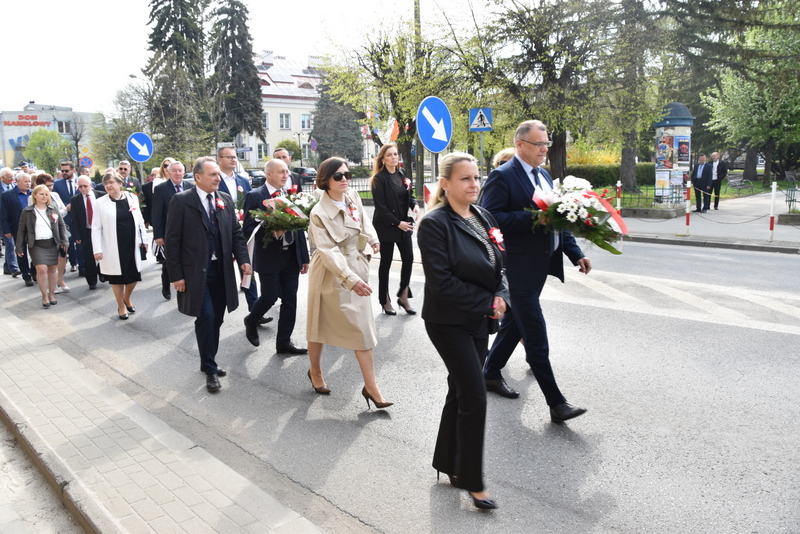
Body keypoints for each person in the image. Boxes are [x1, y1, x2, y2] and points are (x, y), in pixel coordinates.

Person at [480, 120, 590, 423]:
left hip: (538, 268)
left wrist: (574, 252)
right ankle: (557, 404)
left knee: (515, 323)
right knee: (536, 337)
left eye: (546, 144)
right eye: (538, 144)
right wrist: (533, 219)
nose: (544, 149)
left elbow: (556, 216)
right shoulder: (502, 177)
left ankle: (489, 372)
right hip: (516, 270)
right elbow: (491, 219)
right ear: (520, 144)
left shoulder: (543, 175)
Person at [418, 152, 508, 510]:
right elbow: (441, 283)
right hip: (447, 322)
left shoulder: (482, 215)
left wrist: (501, 296)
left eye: (476, 178)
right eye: (465, 179)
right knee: (474, 396)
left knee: (458, 391)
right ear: (445, 184)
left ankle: (448, 463)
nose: (474, 184)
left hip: (477, 320)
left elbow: (500, 263)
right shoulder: (434, 224)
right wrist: (488, 302)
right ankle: (473, 480)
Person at [305, 157, 392, 408]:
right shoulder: (318, 213)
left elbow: (364, 220)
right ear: (325, 181)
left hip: (356, 268)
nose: (345, 179)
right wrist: (350, 279)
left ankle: (371, 387)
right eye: (338, 176)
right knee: (318, 326)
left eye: (347, 174)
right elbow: (328, 251)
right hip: (331, 275)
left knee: (362, 329)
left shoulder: (352, 195)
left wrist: (373, 239)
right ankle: (316, 371)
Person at [164, 157, 252, 393]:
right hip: (195, 272)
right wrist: (177, 275)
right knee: (206, 316)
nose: (217, 178)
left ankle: (207, 360)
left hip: (221, 270)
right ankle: (211, 370)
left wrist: (243, 260)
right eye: (212, 174)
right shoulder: (182, 201)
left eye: (218, 174)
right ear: (198, 177)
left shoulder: (223, 199)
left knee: (218, 318)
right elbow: (172, 241)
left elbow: (235, 233)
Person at [242, 159, 309, 353]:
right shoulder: (254, 196)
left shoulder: (289, 196)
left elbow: (299, 228)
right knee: (269, 297)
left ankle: (283, 342)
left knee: (290, 300)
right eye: (281, 171)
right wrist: (271, 230)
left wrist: (304, 257)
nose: (286, 175)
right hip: (269, 256)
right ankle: (251, 320)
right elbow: (248, 228)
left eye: (287, 171)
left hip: (291, 257)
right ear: (269, 174)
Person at [370, 143, 419, 315]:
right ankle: (384, 300)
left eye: (395, 154)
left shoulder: (402, 174)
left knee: (409, 259)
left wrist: (415, 205)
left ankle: (403, 296)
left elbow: (409, 195)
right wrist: (397, 223)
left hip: (403, 224)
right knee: (386, 263)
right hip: (386, 226)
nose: (393, 157)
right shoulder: (379, 179)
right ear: (383, 158)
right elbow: (381, 208)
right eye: (389, 155)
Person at [91, 171, 147, 320]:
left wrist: (144, 239)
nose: (108, 185)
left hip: (131, 243)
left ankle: (126, 297)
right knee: (117, 277)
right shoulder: (100, 202)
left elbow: (140, 220)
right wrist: (97, 249)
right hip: (112, 245)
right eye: (106, 183)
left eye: (111, 182)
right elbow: (96, 228)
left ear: (120, 184)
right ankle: (121, 306)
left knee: (134, 275)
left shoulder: (132, 198)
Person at [216, 146, 257, 309]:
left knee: (247, 269)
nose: (234, 159)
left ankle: (254, 311)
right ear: (219, 160)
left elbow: (250, 206)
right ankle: (215, 309)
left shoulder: (243, 181)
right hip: (221, 233)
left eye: (235, 157)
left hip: (242, 233)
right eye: (229, 157)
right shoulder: (214, 179)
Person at [16, 184, 69, 308]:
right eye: (41, 194)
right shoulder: (27, 211)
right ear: (34, 195)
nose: (44, 196)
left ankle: (51, 294)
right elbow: (21, 230)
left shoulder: (53, 208)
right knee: (41, 269)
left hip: (52, 243)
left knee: (52, 269)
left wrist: (64, 241)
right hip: (36, 244)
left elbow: (61, 226)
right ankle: (44, 296)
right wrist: (19, 247)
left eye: (46, 194)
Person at [152, 161, 191, 300]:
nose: (177, 173)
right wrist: (158, 235)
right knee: (169, 261)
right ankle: (166, 286)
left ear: (184, 172)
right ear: (168, 172)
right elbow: (156, 213)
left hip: (187, 233)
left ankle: (186, 288)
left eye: (180, 170)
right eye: (174, 170)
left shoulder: (190, 186)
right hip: (169, 233)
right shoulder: (161, 189)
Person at [33, 174, 70, 293]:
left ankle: (60, 279)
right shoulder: (33, 197)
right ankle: (52, 285)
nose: (50, 188)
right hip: (45, 232)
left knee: (62, 254)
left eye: (51, 185)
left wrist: (57, 213)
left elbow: (64, 210)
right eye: (48, 185)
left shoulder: (55, 195)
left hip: (59, 228)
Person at [70, 176, 106, 290]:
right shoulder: (75, 200)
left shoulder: (101, 195)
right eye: (80, 186)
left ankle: (103, 272)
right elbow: (74, 219)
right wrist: (76, 235)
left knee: (105, 253)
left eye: (85, 186)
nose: (83, 188)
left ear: (90, 185)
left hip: (102, 230)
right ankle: (91, 280)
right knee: (89, 257)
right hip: (86, 231)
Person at [53, 160, 84, 275]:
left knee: (81, 242)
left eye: (67, 170)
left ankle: (82, 266)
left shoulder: (81, 181)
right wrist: (66, 207)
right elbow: (55, 201)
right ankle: (73, 263)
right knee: (69, 241)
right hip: (66, 217)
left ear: (73, 170)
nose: (64, 173)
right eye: (62, 171)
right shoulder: (57, 184)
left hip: (80, 217)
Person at [1, 172, 33, 285]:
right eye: (25, 181)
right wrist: (6, 230)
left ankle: (34, 271)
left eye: (29, 181)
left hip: (34, 228)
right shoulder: (7, 195)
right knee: (21, 251)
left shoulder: (34, 194)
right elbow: (3, 215)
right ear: (17, 181)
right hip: (18, 229)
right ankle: (26, 275)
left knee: (35, 250)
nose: (28, 183)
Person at [1, 168, 19, 274]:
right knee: (10, 243)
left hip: (13, 221)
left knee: (11, 244)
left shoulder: (14, 187)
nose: (12, 179)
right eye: (10, 177)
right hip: (3, 221)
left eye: (13, 176)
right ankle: (13, 267)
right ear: (2, 178)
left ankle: (7, 267)